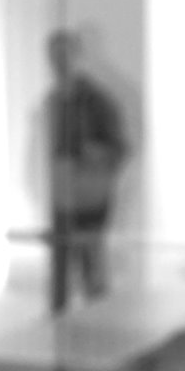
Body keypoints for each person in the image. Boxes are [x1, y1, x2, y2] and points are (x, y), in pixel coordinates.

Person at [44, 28, 128, 312]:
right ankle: (58, 327)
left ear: (76, 56)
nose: (58, 63)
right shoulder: (53, 100)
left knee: (91, 267)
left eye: (64, 55)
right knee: (60, 270)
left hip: (89, 194)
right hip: (62, 193)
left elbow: (119, 148)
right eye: (54, 56)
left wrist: (95, 153)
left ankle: (98, 324)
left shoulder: (98, 101)